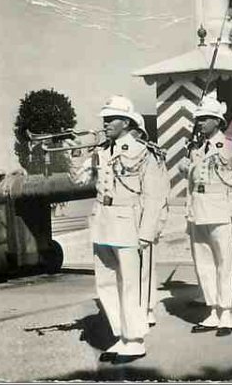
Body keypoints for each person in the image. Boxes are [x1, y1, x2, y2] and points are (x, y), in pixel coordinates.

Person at [67, 95, 164, 363]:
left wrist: (146, 231)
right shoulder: (100, 151)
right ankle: (121, 335)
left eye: (111, 119)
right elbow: (79, 180)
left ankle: (135, 339)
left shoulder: (143, 151)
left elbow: (153, 196)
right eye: (105, 119)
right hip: (103, 221)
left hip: (128, 221)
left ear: (127, 122)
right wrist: (75, 154)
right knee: (107, 283)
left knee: (130, 284)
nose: (105, 123)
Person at [180, 95, 232, 336]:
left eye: (205, 118)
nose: (200, 123)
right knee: (204, 265)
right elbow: (192, 184)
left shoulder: (230, 146)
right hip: (198, 211)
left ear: (217, 121)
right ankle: (213, 310)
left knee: (224, 264)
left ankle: (226, 312)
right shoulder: (196, 149)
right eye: (198, 119)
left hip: (221, 211)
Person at [130, 113, 170, 328]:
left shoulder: (151, 155)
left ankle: (147, 308)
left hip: (146, 215)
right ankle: (132, 306)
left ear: (138, 132)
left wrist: (158, 222)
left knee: (145, 266)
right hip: (125, 216)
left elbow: (162, 191)